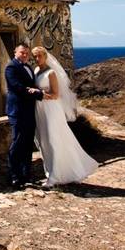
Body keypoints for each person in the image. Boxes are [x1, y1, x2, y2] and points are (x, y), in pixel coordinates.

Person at [31, 46, 98, 187]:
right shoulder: (36, 71)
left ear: (45, 56)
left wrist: (39, 93)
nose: (37, 59)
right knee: (44, 141)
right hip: (40, 109)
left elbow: (56, 95)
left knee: (53, 139)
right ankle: (54, 172)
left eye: (39, 56)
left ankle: (55, 176)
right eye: (35, 56)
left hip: (51, 109)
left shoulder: (51, 73)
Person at [4, 44, 43, 187]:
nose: (25, 55)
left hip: (29, 111)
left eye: (27, 53)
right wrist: (39, 94)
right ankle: (14, 175)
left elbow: (31, 85)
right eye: (22, 52)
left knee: (27, 144)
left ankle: (26, 175)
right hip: (17, 111)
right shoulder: (11, 67)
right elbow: (18, 88)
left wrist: (37, 91)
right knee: (17, 143)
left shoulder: (29, 67)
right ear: (15, 52)